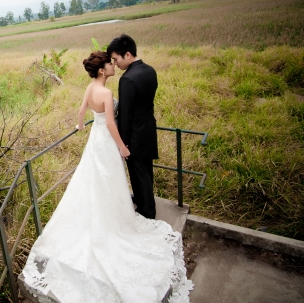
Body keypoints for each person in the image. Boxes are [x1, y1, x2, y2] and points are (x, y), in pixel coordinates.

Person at [21, 51, 192, 303]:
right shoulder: (107, 93)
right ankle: (111, 222)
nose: (113, 66)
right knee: (109, 181)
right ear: (102, 70)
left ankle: (98, 217)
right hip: (107, 142)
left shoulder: (90, 88)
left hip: (94, 142)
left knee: (94, 181)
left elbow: (81, 112)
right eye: (110, 64)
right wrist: (123, 146)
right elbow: (111, 124)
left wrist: (80, 126)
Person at [108, 34, 158, 219]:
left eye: (116, 59)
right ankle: (145, 202)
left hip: (135, 135)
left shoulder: (127, 79)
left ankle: (147, 211)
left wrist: (122, 143)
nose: (115, 63)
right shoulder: (150, 70)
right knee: (146, 172)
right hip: (148, 129)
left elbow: (125, 115)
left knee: (138, 174)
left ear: (127, 55)